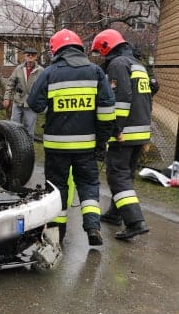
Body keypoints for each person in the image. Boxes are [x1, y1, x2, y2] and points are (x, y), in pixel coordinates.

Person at [27, 29, 115, 246]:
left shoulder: (49, 72)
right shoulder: (95, 72)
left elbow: (34, 103)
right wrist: (101, 142)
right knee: (88, 185)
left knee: (57, 189)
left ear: (56, 50)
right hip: (86, 145)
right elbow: (107, 110)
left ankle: (57, 235)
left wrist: (54, 106)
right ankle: (93, 227)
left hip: (56, 145)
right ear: (79, 48)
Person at [91, 29, 152, 239]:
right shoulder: (137, 64)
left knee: (117, 176)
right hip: (140, 129)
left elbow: (122, 99)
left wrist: (116, 128)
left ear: (107, 46)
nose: (102, 57)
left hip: (124, 133)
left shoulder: (118, 65)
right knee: (126, 175)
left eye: (101, 52)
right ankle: (114, 214)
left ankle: (135, 222)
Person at [4, 47, 43, 139]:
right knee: (14, 127)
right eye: (28, 55)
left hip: (31, 103)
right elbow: (10, 84)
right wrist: (7, 98)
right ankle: (14, 148)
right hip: (18, 101)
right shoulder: (19, 69)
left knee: (29, 130)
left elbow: (44, 87)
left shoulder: (40, 71)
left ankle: (28, 150)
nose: (30, 57)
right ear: (24, 56)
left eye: (32, 55)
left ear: (36, 57)